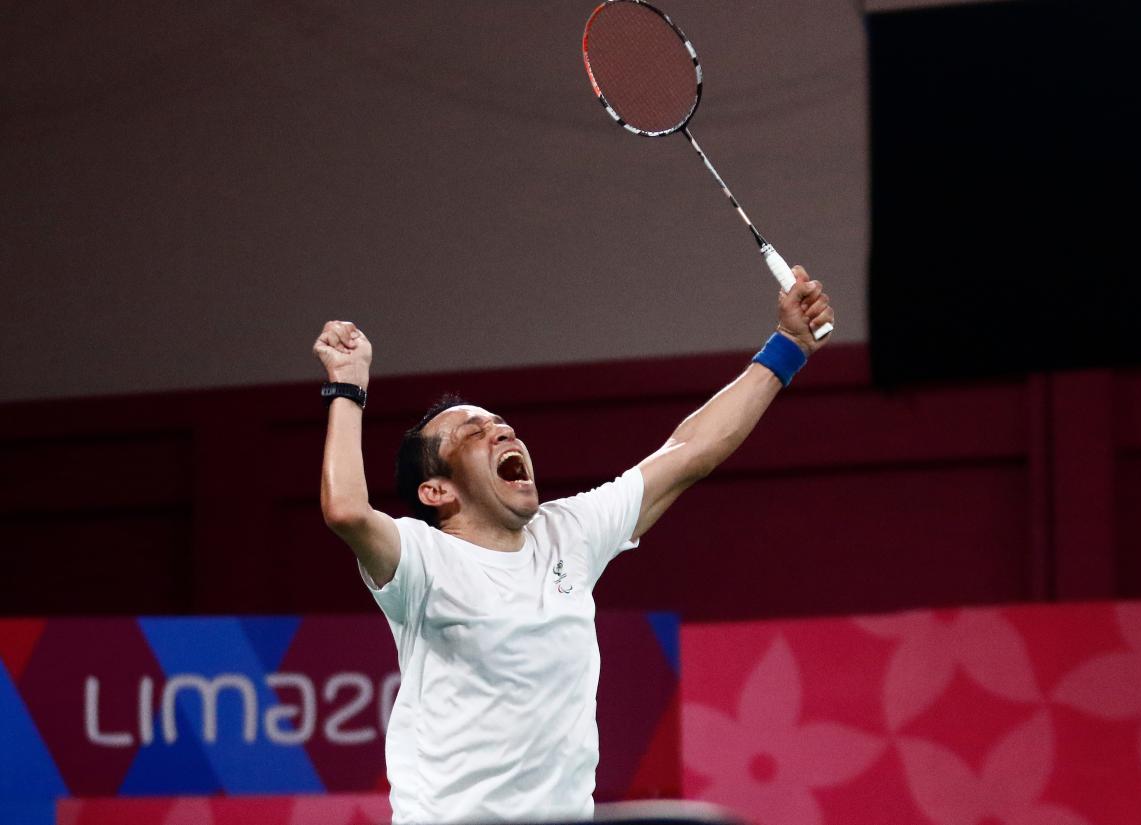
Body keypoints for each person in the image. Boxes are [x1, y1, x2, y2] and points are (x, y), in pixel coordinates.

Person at [312, 267, 834, 824]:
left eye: (503, 425)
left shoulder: (567, 533)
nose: (503, 433)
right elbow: (346, 510)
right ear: (436, 490)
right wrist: (348, 386)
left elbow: (688, 453)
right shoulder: (422, 559)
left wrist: (789, 348)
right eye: (475, 433)